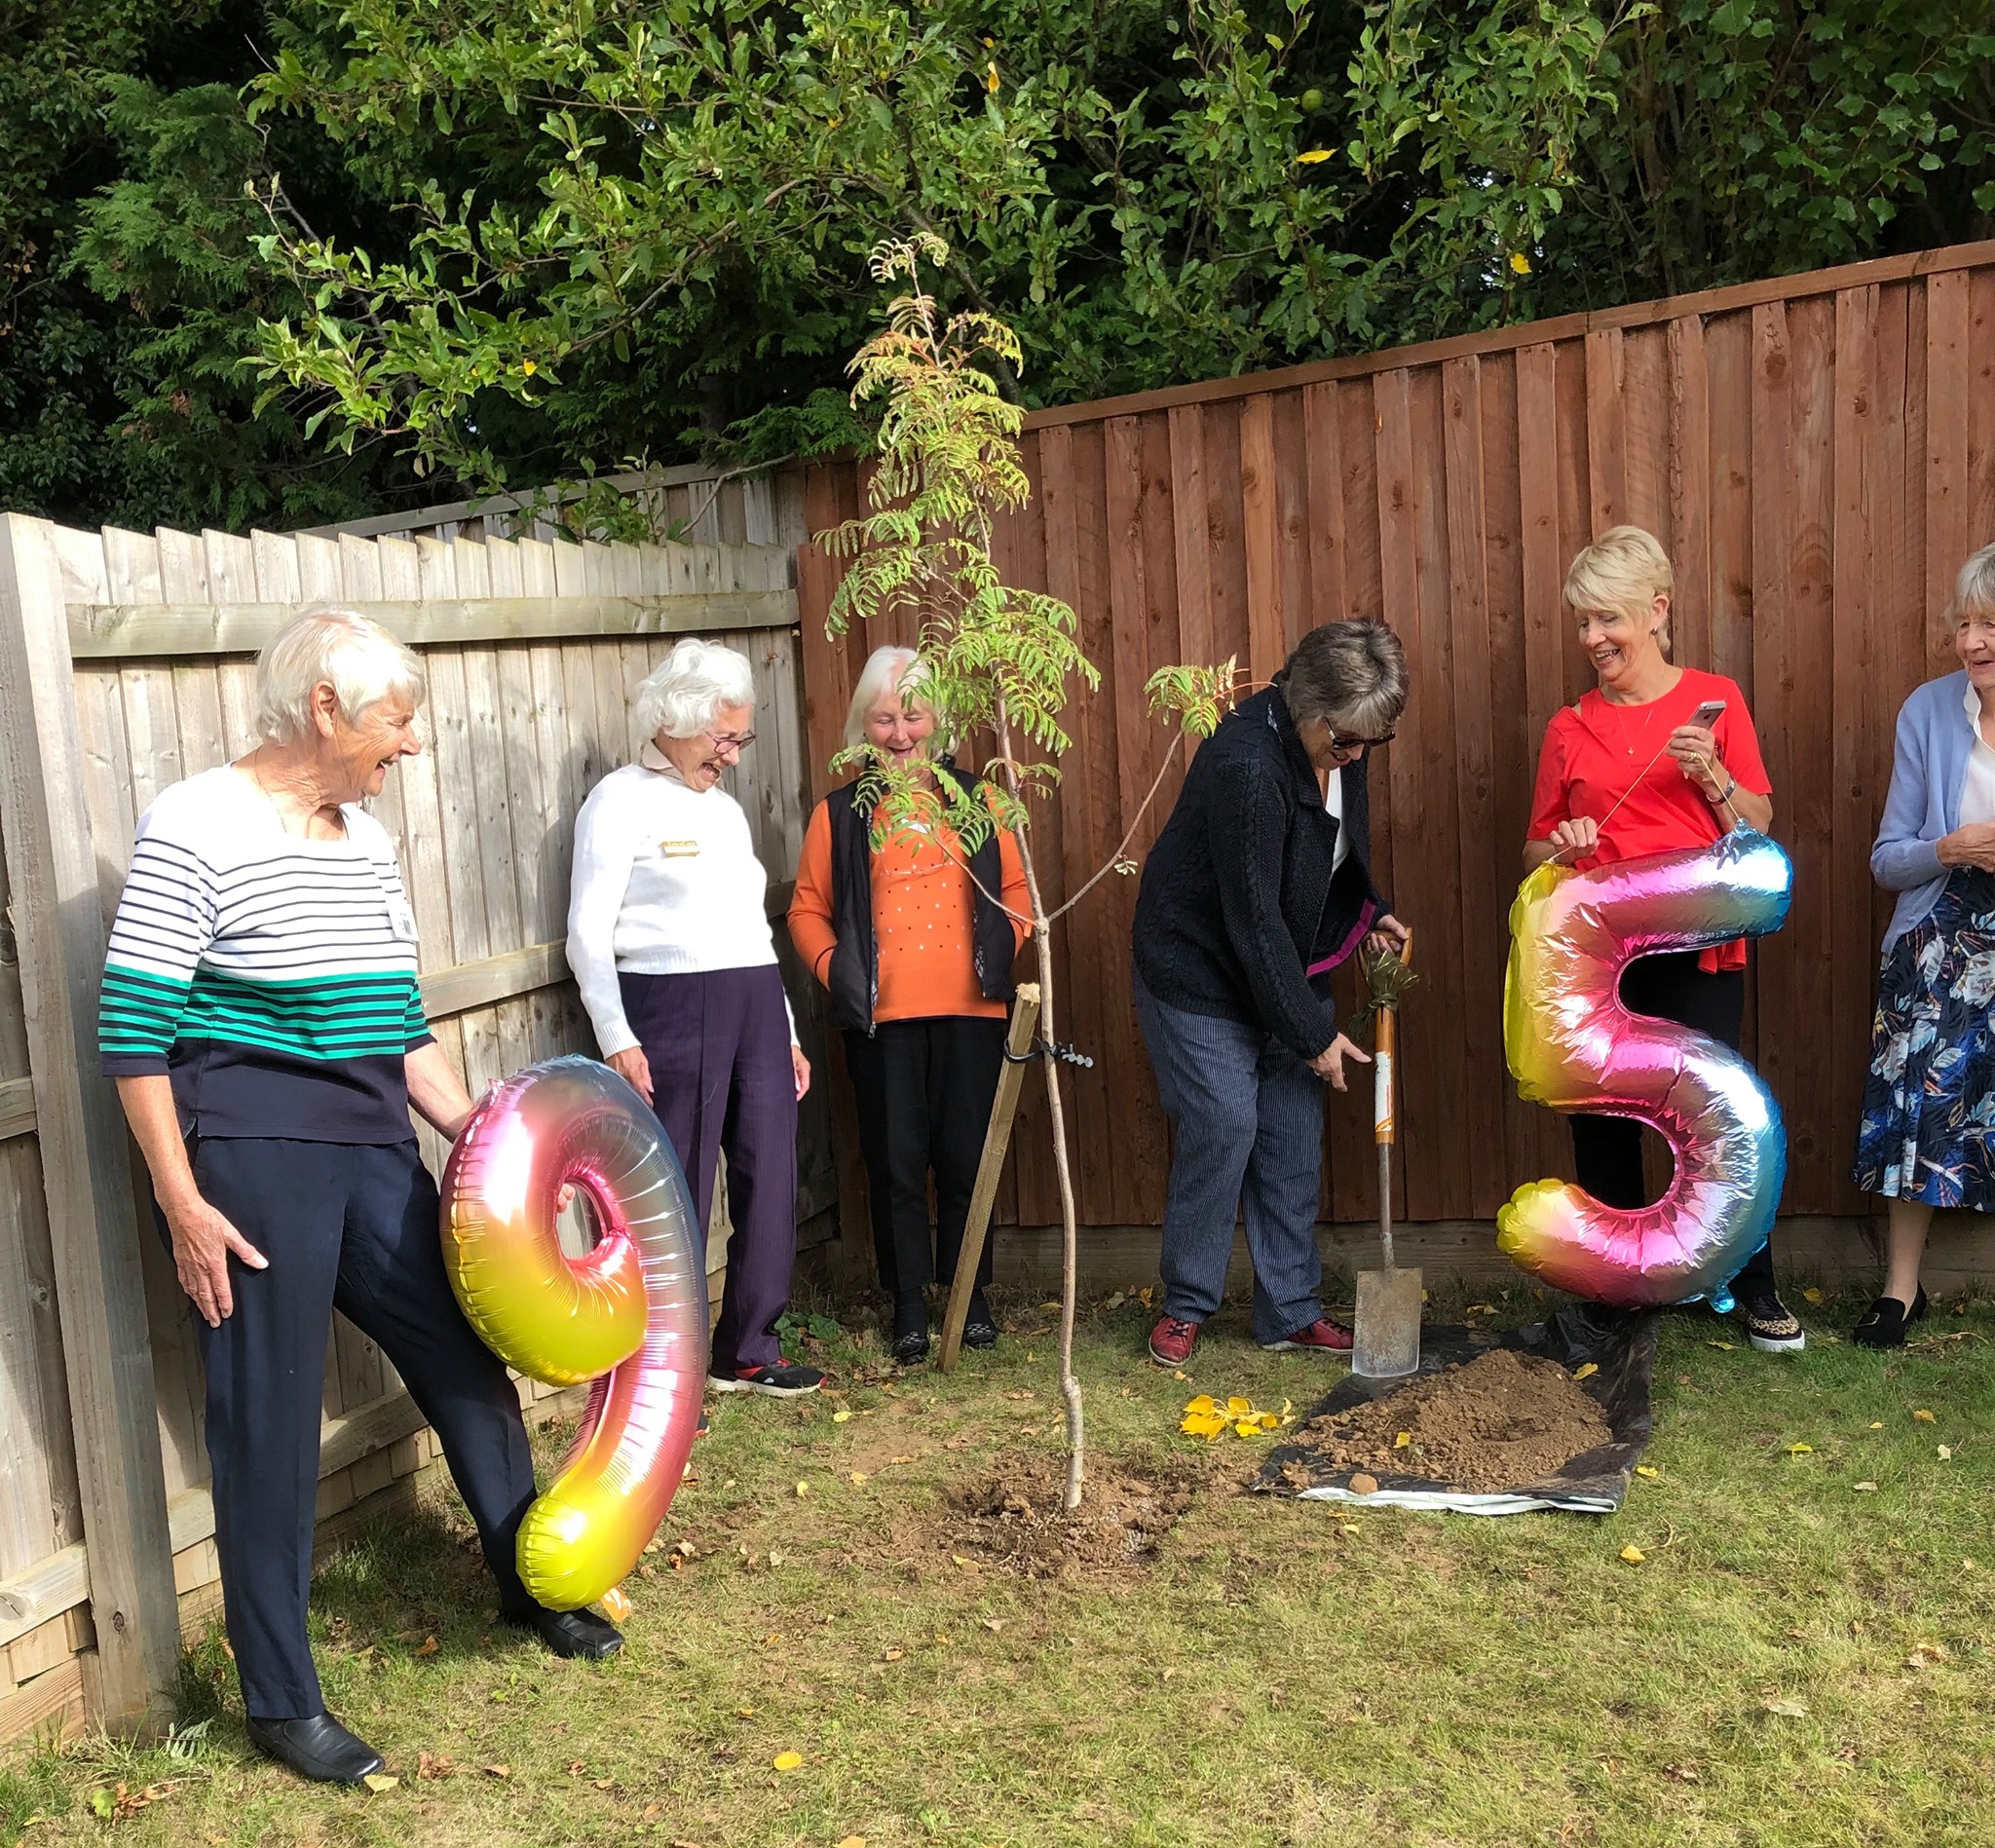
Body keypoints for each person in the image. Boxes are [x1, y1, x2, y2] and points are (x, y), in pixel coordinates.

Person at [97, 609, 621, 1789]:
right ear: (324, 710)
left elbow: (396, 1025)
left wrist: (492, 1139)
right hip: (255, 1160)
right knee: (267, 1428)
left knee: (462, 1356)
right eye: (398, 720)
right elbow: (132, 1034)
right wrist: (184, 1205)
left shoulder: (362, 843)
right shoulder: (197, 821)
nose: (413, 746)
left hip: (376, 1145)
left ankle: (528, 1582)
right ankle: (281, 1704)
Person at [1523, 524, 1802, 1354]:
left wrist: (1711, 775)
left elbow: (1760, 829)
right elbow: (1533, 850)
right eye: (1582, 622)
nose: (1593, 639)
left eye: (1607, 618)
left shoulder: (1715, 698)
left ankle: (1749, 1284)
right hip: (1598, 962)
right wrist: (1564, 843)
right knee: (1601, 1120)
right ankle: (1615, 1293)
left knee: (1716, 1119)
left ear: (1658, 609)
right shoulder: (1568, 726)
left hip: (1695, 952)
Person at [1132, 621, 1410, 1369]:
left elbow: (1340, 844)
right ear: (1308, 712)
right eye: (1348, 743)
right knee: (1225, 1121)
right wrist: (1313, 1036)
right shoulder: (1247, 765)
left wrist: (1367, 906)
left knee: (1289, 1134)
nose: (1356, 758)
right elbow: (1250, 919)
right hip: (1200, 968)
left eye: (1368, 746)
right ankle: (1186, 1304)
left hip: (1288, 957)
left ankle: (1289, 1309)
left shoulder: (1343, 741)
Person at [566, 637, 820, 1397]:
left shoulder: (728, 814)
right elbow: (586, 932)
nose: (733, 755)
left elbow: (751, 925)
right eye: (725, 737)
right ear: (676, 718)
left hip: (754, 1000)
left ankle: (749, 1345)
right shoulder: (618, 800)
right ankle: (657, 1373)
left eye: (740, 738)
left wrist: (789, 1031)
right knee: (670, 1190)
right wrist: (617, 1035)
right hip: (669, 1005)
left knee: (770, 1171)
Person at [788, 646, 1031, 1364]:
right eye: (885, 718)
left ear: (939, 719)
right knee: (895, 1165)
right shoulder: (838, 815)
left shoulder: (980, 801)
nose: (901, 734)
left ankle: (969, 1296)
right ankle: (908, 1307)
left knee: (965, 1159)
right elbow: (807, 911)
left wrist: (999, 945)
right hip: (880, 1022)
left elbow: (1017, 893)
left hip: (973, 1013)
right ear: (865, 726)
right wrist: (840, 973)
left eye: (913, 715)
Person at [1852, 544, 1995, 1346]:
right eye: (1964, 624)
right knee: (1922, 1094)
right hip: (1943, 929)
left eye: (1990, 625)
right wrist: (1953, 848)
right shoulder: (1929, 710)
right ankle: (1901, 1289)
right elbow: (1886, 859)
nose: (1973, 641)